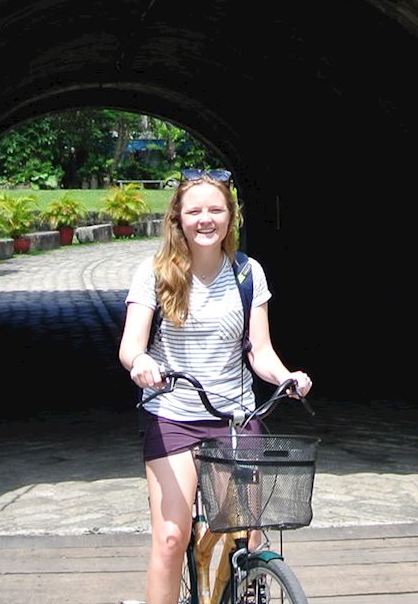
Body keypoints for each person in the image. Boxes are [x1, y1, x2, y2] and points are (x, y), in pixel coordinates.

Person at [116, 174, 313, 604]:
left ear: (230, 217)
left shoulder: (247, 273)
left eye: (215, 210)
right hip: (172, 415)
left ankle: (238, 587)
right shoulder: (153, 274)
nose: (206, 219)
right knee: (171, 536)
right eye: (194, 211)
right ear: (178, 219)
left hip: (235, 419)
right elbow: (131, 345)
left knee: (248, 535)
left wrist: (285, 377)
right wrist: (143, 363)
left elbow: (259, 350)